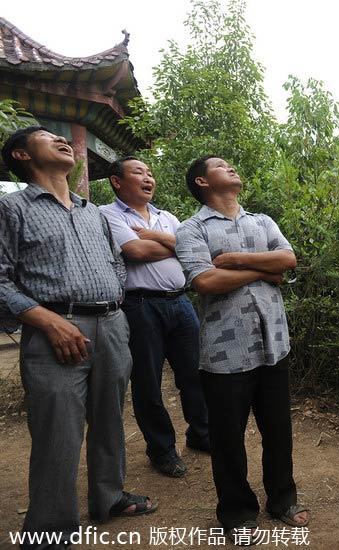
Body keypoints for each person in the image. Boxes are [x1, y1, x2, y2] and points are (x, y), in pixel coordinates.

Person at [0, 127, 156, 550]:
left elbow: (116, 263)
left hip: (112, 324)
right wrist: (47, 321)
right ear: (21, 155)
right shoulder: (11, 208)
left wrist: (115, 303)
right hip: (54, 332)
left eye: (63, 138)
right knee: (58, 432)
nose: (62, 140)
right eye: (47, 136)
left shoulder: (93, 213)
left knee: (110, 419)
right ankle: (50, 530)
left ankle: (109, 497)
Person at [175, 155, 309, 544]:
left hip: (273, 345)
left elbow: (288, 259)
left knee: (278, 430)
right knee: (227, 439)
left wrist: (235, 260)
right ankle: (236, 512)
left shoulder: (262, 221)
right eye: (221, 165)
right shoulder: (191, 229)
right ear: (202, 181)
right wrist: (265, 272)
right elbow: (205, 281)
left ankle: (282, 500)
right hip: (224, 352)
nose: (231, 167)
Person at [100, 156, 210, 478]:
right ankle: (161, 450)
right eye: (139, 172)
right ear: (117, 181)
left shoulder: (167, 217)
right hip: (140, 306)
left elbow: (193, 250)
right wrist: (173, 246)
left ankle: (201, 434)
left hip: (180, 302)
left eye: (150, 173)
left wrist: (155, 237)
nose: (148, 178)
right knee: (147, 382)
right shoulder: (108, 214)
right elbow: (136, 252)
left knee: (196, 373)